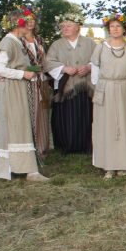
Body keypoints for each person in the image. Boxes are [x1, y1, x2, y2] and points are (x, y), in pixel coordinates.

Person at [0, 7, 49, 181]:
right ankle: (27, 170)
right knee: (17, 127)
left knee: (19, 127)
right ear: (19, 25)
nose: (30, 26)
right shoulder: (8, 42)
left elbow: (15, 65)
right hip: (12, 91)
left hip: (18, 90)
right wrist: (22, 74)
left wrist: (29, 70)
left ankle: (21, 168)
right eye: (27, 22)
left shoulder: (17, 41)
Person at [91, 13, 126, 178]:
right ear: (108, 29)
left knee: (125, 125)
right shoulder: (101, 47)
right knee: (107, 126)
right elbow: (95, 68)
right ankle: (108, 166)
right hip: (106, 87)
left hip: (125, 88)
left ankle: (124, 165)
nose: (115, 29)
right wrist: (99, 87)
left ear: (124, 29)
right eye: (112, 26)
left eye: (118, 26)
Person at [46, 13, 95, 154]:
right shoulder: (56, 45)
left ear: (77, 27)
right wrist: (64, 68)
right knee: (65, 117)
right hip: (65, 89)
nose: (65, 28)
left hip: (85, 87)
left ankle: (86, 146)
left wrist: (88, 67)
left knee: (85, 116)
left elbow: (99, 60)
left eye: (69, 25)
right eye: (63, 26)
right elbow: (48, 62)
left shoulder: (90, 43)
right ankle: (65, 146)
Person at [21, 9, 54, 156]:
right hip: (26, 81)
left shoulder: (39, 40)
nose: (31, 22)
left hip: (41, 80)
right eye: (27, 20)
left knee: (42, 113)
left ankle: (42, 148)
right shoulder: (18, 41)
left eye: (33, 20)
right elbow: (18, 63)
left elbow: (45, 60)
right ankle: (28, 149)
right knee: (28, 114)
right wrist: (33, 69)